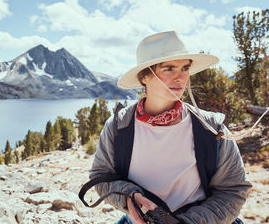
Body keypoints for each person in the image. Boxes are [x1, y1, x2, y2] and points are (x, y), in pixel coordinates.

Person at [88, 31, 252, 224]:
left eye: (185, 68)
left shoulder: (211, 128)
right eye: (169, 69)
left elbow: (233, 190)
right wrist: (128, 196)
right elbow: (101, 178)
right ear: (144, 77)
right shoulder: (118, 127)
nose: (180, 78)